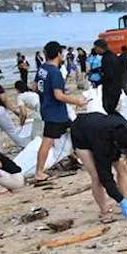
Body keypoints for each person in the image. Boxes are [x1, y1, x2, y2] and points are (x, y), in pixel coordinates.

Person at [69, 111, 127, 223]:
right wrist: (119, 199)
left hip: (99, 124)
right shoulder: (102, 145)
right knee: (96, 176)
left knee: (121, 167)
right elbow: (105, 176)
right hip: (81, 133)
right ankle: (105, 211)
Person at [34, 40, 87, 183]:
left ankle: (81, 160)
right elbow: (59, 95)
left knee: (75, 133)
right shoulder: (54, 72)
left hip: (50, 110)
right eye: (61, 52)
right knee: (48, 142)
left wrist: (44, 96)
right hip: (54, 113)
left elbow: (35, 87)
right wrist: (78, 101)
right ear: (58, 54)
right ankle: (39, 172)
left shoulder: (42, 68)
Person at [13, 79, 41, 147]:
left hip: (39, 108)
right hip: (45, 105)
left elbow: (24, 114)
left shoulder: (20, 96)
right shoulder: (32, 93)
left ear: (17, 89)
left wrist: (21, 125)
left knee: (35, 135)